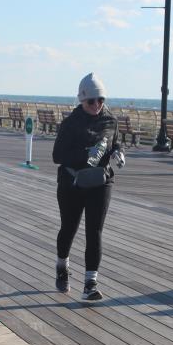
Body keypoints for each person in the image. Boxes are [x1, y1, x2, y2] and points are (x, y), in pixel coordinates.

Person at [52, 72, 124, 301]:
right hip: (72, 181)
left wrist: (117, 152)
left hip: (101, 181)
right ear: (82, 100)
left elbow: (114, 142)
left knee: (95, 231)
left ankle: (90, 283)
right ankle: (62, 266)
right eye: (91, 101)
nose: (96, 105)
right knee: (69, 228)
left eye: (100, 100)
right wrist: (85, 154)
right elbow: (57, 155)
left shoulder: (110, 120)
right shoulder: (70, 123)